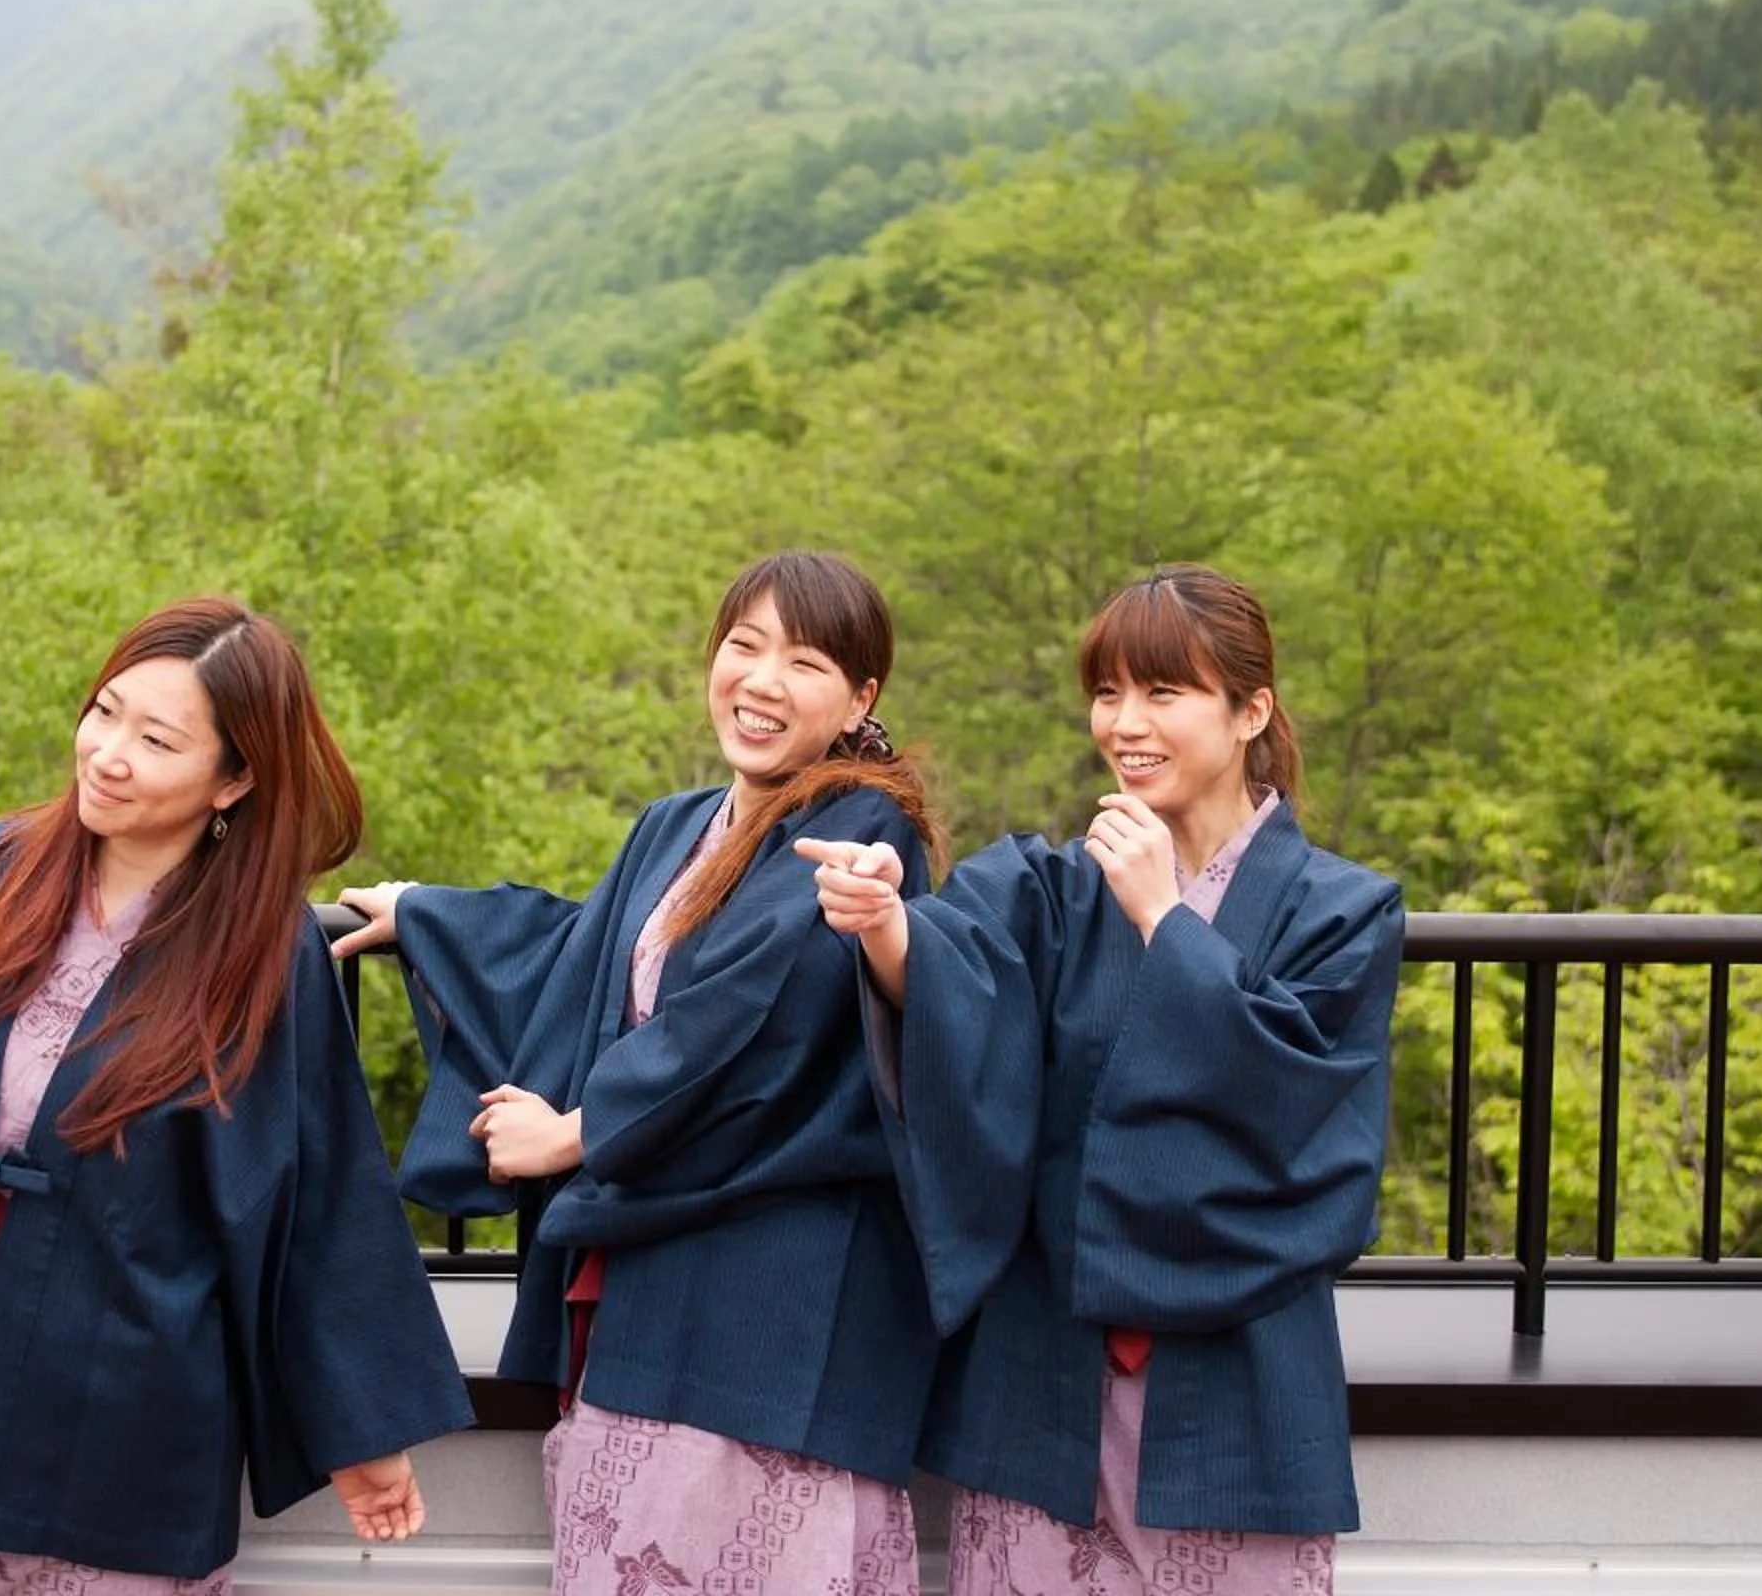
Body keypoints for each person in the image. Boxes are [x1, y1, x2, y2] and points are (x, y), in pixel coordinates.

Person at [0, 596, 474, 1595]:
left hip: (125, 1389)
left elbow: (315, 1198)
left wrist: (362, 1427)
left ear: (235, 776)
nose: (107, 752)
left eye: (156, 737)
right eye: (104, 711)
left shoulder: (264, 955)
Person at [331, 550, 946, 1596]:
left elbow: (748, 1009)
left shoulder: (860, 828)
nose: (759, 680)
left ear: (860, 698)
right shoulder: (679, 824)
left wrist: (574, 1131)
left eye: (803, 661)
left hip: (781, 1291)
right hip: (659, 1268)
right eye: (743, 644)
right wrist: (431, 914)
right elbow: (586, 958)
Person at [800, 564, 1405, 1596]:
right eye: (1109, 690)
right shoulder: (1053, 886)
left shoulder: (1343, 911)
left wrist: (1167, 919)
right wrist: (890, 922)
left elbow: (1300, 1112)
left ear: (1250, 707)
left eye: (1163, 691)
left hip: (1231, 1391)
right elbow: (958, 980)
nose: (1126, 721)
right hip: (1046, 1383)